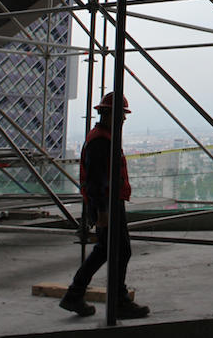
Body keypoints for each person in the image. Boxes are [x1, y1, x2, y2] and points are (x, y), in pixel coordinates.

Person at [60, 92, 149, 319]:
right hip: (106, 203)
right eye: (121, 115)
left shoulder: (104, 136)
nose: (124, 120)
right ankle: (117, 301)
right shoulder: (101, 140)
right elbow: (96, 179)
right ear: (108, 114)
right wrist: (102, 211)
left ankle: (75, 295)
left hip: (108, 201)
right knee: (119, 250)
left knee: (106, 250)